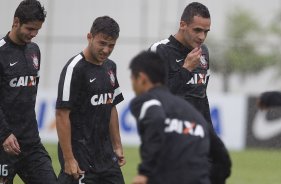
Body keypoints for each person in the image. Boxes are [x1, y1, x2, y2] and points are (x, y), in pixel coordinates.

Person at [149, 2, 231, 184]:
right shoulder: (160, 51)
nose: (202, 37)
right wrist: (186, 69)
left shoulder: (203, 53)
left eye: (206, 31)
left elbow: (201, 96)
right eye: (197, 30)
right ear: (182, 25)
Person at [56, 16, 126, 184]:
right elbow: (61, 114)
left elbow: (111, 106)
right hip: (81, 157)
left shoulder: (110, 67)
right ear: (90, 37)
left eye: (111, 45)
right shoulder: (74, 68)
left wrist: (117, 145)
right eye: (102, 43)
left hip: (106, 156)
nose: (107, 50)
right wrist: (69, 159)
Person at [129, 51, 211, 184]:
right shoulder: (196, 115)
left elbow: (156, 119)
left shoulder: (146, 101)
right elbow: (221, 158)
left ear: (142, 78)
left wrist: (144, 172)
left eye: (132, 79)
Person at [0, 0, 57, 183]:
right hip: (3, 142)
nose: (33, 35)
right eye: (30, 29)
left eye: (37, 30)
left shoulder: (34, 51)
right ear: (16, 21)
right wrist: (4, 134)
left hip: (30, 143)